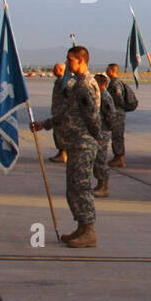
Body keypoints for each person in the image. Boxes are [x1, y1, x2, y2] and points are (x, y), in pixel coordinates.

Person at [32, 46, 102, 247]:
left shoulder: (86, 85)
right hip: (75, 141)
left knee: (81, 187)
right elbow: (68, 113)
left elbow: (93, 116)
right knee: (72, 187)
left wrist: (96, 138)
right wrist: (44, 124)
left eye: (70, 60)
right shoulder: (76, 85)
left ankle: (89, 231)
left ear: (82, 61)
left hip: (84, 142)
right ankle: (81, 227)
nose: (67, 63)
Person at [104, 63, 137, 167]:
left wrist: (120, 107)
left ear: (112, 71)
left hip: (117, 113)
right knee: (117, 136)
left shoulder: (114, 84)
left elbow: (118, 98)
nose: (106, 71)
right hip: (118, 112)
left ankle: (119, 158)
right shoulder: (117, 82)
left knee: (117, 136)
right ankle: (117, 157)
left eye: (108, 69)